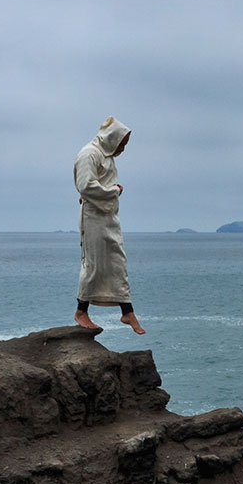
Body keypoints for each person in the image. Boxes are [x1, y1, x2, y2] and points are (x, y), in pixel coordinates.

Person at [73, 116, 145, 334]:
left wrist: (111, 190)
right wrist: (114, 191)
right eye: (122, 143)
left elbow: (98, 183)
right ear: (112, 138)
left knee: (117, 262)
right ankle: (81, 311)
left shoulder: (106, 157)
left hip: (108, 217)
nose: (122, 148)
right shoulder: (89, 154)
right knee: (93, 264)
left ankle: (127, 310)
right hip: (93, 218)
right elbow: (86, 186)